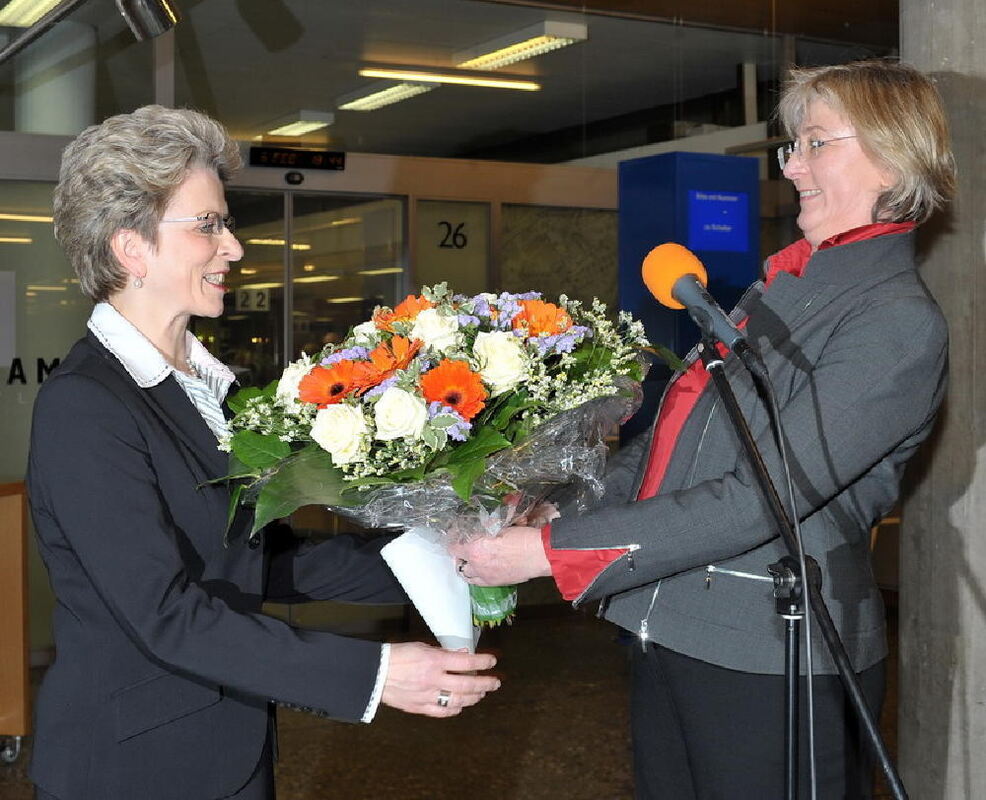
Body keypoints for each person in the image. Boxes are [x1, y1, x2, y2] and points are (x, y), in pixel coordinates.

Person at [451, 59, 955, 798]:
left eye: (815, 142)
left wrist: (549, 553)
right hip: (676, 626)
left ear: (891, 155)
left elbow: (758, 498)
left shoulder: (894, 322)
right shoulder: (785, 287)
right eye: (791, 145)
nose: (792, 165)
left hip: (771, 655)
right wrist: (565, 509)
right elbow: (668, 446)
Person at [27, 105, 500, 800]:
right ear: (133, 248)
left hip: (226, 741)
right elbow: (162, 612)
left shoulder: (199, 388)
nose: (234, 248)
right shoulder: (86, 405)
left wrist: (463, 556)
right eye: (209, 225)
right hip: (134, 768)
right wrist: (374, 675)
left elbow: (260, 560)